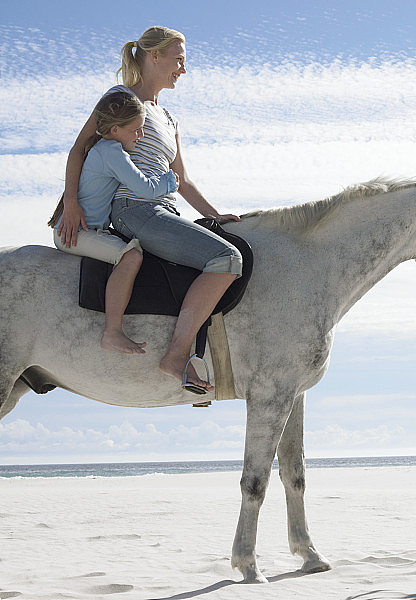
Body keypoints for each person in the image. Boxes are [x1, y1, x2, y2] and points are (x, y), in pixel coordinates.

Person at [60, 26, 242, 395]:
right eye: (179, 60)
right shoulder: (121, 99)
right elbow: (79, 149)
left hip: (166, 210)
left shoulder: (170, 118)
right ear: (154, 56)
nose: (183, 69)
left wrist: (215, 214)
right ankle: (175, 356)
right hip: (135, 209)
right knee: (227, 259)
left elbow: (182, 178)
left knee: (225, 245)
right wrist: (71, 202)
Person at [50, 91, 179, 354]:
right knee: (131, 257)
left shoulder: (106, 148)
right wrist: (170, 181)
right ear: (116, 129)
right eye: (137, 130)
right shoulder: (112, 153)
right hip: (76, 235)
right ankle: (112, 331)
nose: (140, 137)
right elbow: (145, 188)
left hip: (89, 230)